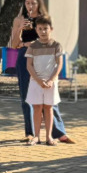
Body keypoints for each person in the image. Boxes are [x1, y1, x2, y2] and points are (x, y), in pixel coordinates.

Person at [8, 0, 70, 143]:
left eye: (33, 3)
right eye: (27, 3)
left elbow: (50, 39)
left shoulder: (44, 19)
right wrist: (20, 29)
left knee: (49, 95)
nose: (30, 6)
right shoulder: (19, 19)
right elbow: (13, 44)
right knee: (26, 96)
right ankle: (31, 133)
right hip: (25, 58)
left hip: (44, 58)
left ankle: (58, 132)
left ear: (39, 4)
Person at [25, 16, 64, 144]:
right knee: (37, 108)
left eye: (45, 29)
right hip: (36, 81)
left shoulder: (56, 45)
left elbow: (59, 64)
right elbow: (29, 65)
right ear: (36, 30)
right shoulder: (32, 46)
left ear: (51, 29)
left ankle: (49, 137)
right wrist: (38, 80)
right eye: (40, 29)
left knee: (48, 108)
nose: (43, 31)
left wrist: (51, 79)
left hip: (50, 82)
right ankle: (36, 136)